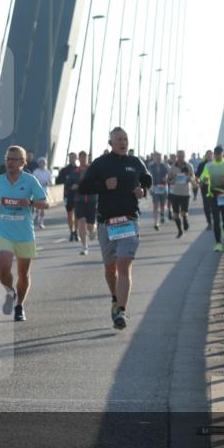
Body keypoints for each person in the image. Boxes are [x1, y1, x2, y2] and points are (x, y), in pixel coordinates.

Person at [79, 127, 152, 330]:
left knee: (123, 266)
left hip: (129, 220)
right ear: (110, 143)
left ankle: (121, 311)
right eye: (119, 139)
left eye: (126, 139)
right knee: (110, 268)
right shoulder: (101, 163)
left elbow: (148, 180)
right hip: (107, 223)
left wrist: (143, 190)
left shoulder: (135, 162)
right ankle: (115, 298)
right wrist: (103, 186)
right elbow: (83, 186)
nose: (123, 142)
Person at [0, 145, 49, 322]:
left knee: (23, 275)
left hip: (24, 234)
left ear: (23, 162)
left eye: (15, 159)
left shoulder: (30, 180)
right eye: (8, 159)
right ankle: (10, 292)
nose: (10, 163)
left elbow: (45, 203)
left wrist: (29, 202)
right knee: (3, 267)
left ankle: (20, 305)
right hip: (4, 232)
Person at [70, 150, 98, 255]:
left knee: (90, 225)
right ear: (78, 159)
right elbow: (68, 185)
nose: (82, 159)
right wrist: (72, 187)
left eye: (84, 157)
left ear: (87, 158)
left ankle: (93, 230)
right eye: (81, 157)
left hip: (91, 200)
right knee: (81, 221)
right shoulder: (74, 172)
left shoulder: (93, 170)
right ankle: (84, 246)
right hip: (79, 200)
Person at [167, 150, 194, 238]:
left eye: (182, 156)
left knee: (184, 212)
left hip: (185, 193)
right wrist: (171, 179)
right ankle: (180, 231)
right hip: (175, 192)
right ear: (177, 157)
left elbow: (193, 178)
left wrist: (188, 178)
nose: (181, 158)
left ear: (185, 156)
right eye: (179, 156)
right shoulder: (173, 167)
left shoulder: (189, 166)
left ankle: (185, 220)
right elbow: (169, 178)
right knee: (175, 214)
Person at [55, 152, 79, 241]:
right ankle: (71, 232)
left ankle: (76, 232)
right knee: (69, 214)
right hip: (68, 195)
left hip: (78, 195)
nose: (72, 158)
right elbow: (58, 182)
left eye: (74, 157)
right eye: (71, 157)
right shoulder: (64, 170)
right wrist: (66, 186)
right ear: (68, 158)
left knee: (77, 214)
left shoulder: (78, 169)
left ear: (76, 158)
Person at [148, 152, 170, 230]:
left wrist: (167, 179)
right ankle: (156, 223)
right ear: (154, 158)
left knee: (163, 204)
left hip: (163, 187)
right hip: (154, 187)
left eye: (159, 157)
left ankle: (162, 214)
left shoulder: (166, 166)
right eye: (157, 157)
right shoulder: (151, 166)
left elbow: (170, 175)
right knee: (155, 205)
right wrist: (149, 187)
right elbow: (148, 177)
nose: (158, 159)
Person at [195, 149, 214, 229]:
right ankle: (209, 222)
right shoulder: (202, 165)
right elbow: (197, 176)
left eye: (211, 154)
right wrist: (199, 182)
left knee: (214, 205)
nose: (209, 156)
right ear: (206, 156)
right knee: (206, 206)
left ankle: (214, 219)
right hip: (205, 187)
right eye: (208, 154)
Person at [31, 157, 52, 229]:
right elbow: (33, 181)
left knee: (43, 207)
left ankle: (41, 222)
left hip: (45, 191)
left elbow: (50, 182)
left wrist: (46, 183)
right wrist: (38, 183)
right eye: (40, 162)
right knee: (37, 207)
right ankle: (36, 217)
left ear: (45, 163)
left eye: (43, 162)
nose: (42, 164)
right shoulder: (35, 171)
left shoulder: (48, 172)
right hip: (36, 191)